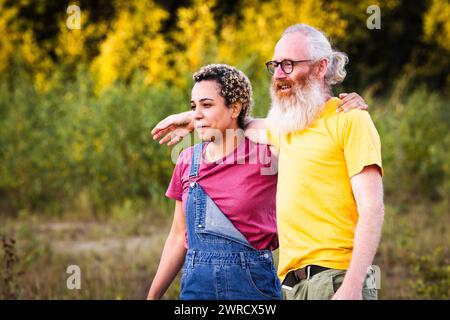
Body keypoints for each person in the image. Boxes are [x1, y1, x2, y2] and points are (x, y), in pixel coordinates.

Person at [151, 24, 383, 300]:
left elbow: (372, 207)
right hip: (293, 285)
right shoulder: (286, 129)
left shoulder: (350, 119)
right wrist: (196, 118)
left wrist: (353, 286)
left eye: (289, 65)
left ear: (321, 68)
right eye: (275, 66)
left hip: (336, 278)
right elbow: (240, 124)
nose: (279, 75)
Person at [147, 64, 282, 300]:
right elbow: (179, 237)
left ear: (235, 108)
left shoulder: (268, 155)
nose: (197, 113)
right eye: (193, 107)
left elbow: (296, 130)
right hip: (196, 288)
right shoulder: (187, 160)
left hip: (253, 288)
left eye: (206, 105)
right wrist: (152, 296)